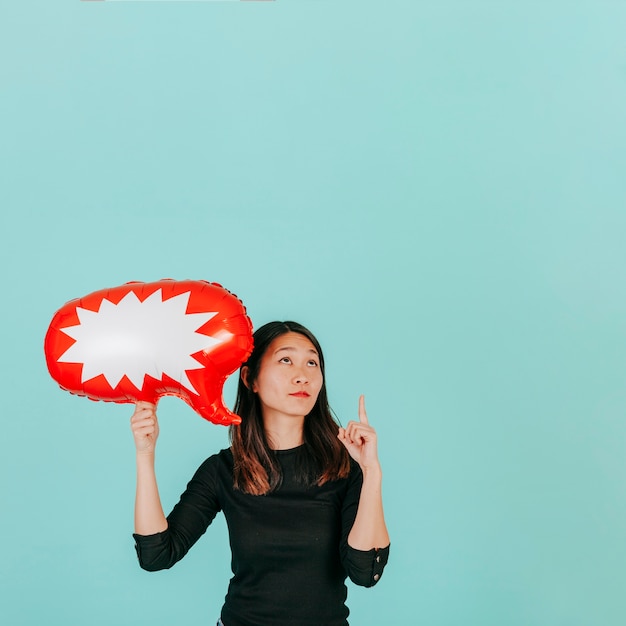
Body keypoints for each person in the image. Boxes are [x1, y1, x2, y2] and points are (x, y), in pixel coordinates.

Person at [131, 321, 390, 626]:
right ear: (250, 378)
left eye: (312, 362)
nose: (302, 375)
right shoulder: (223, 470)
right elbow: (157, 555)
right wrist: (145, 454)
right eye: (285, 360)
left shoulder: (344, 467)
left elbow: (364, 573)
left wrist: (370, 471)